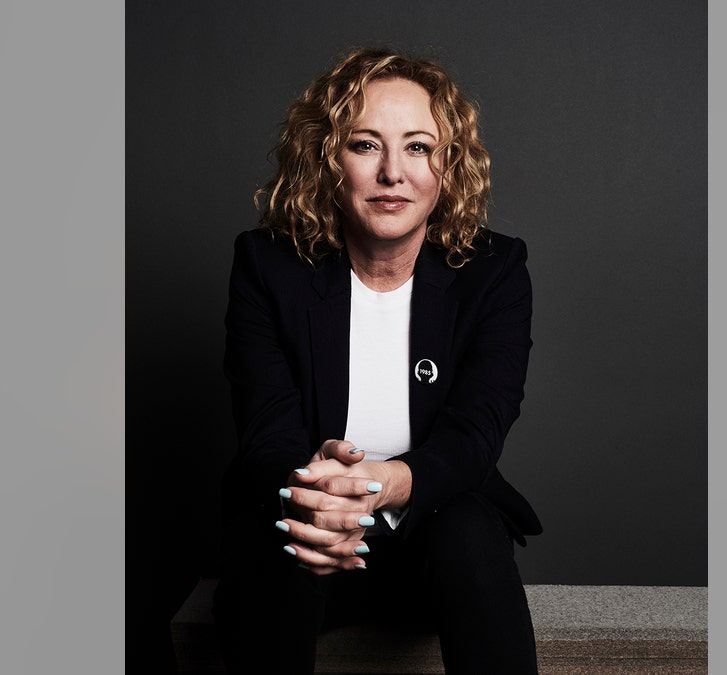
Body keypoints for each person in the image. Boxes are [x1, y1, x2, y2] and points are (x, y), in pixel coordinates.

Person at [212, 46, 541, 674]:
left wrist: (383, 485)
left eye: (418, 147)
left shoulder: (494, 271)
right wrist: (317, 499)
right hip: (310, 537)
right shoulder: (267, 266)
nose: (393, 172)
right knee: (281, 541)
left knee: (470, 530)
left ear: (449, 165)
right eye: (365, 145)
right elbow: (266, 431)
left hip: (439, 542)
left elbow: (476, 431)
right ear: (326, 160)